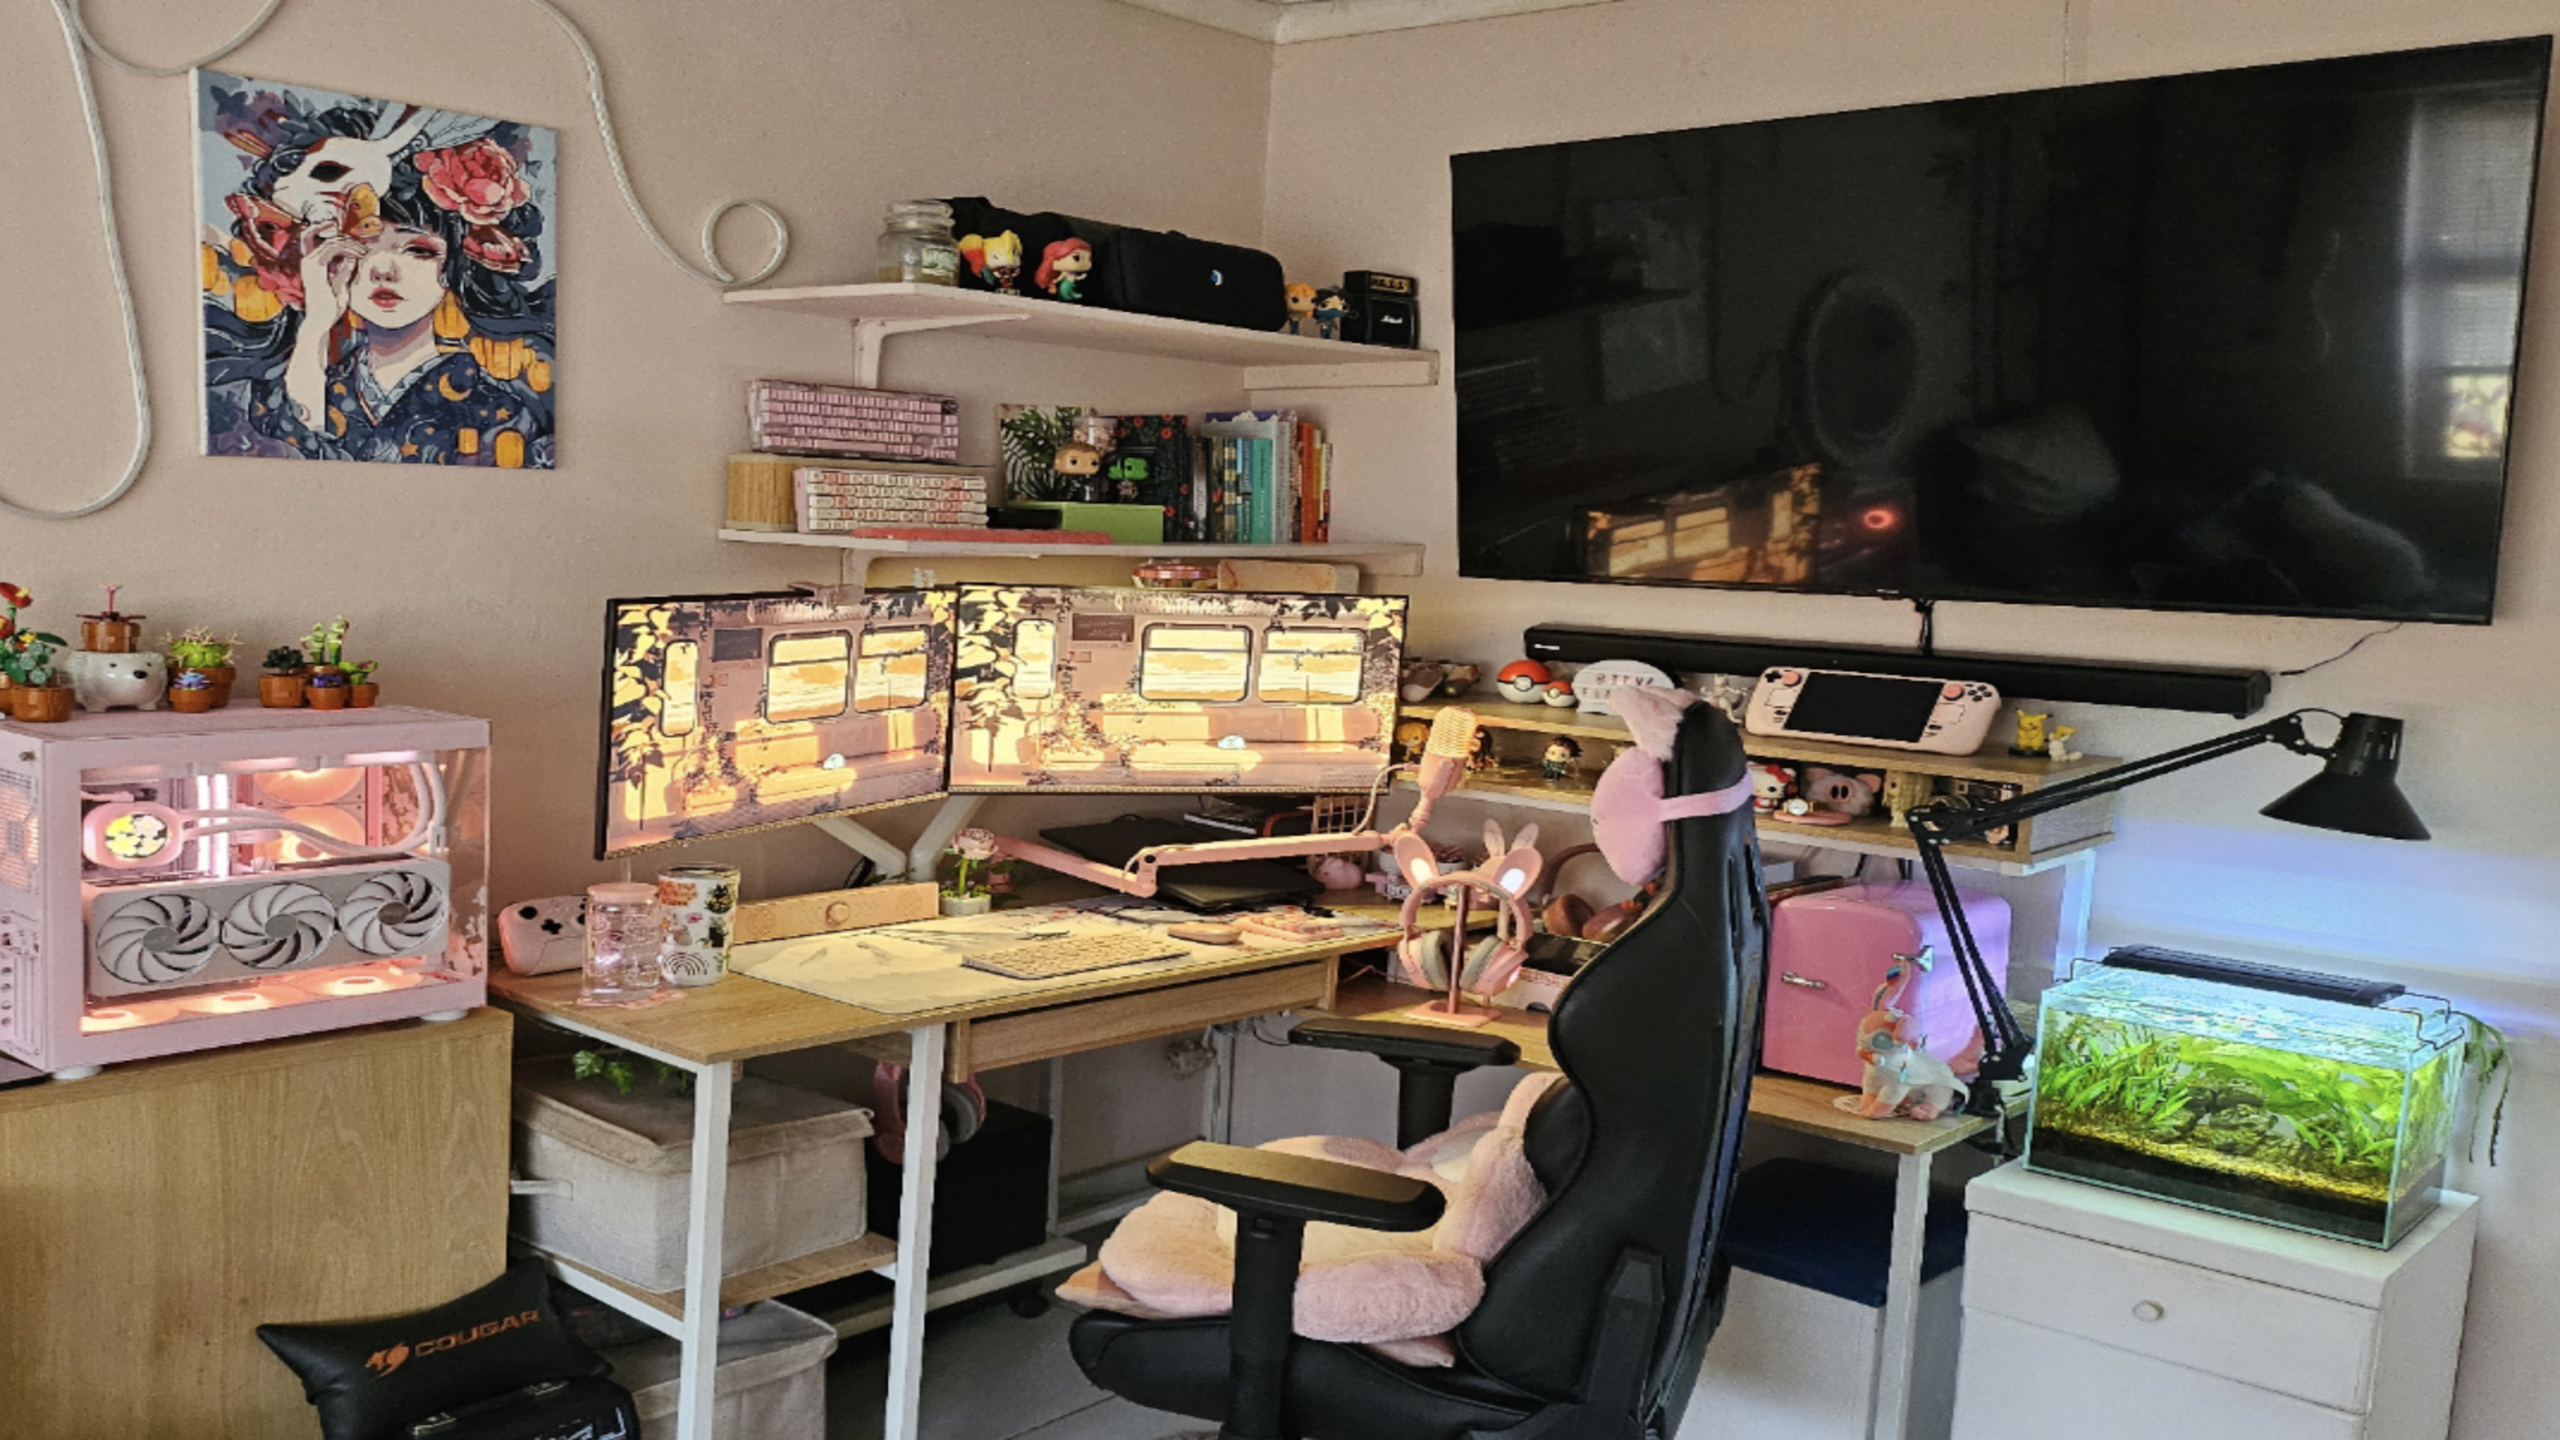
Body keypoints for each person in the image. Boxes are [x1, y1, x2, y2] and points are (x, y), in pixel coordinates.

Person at [203, 89, 554, 468]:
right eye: (360, 245)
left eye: (418, 250)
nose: (383, 269)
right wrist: (316, 325)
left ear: (453, 266)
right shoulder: (289, 385)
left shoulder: (498, 410)